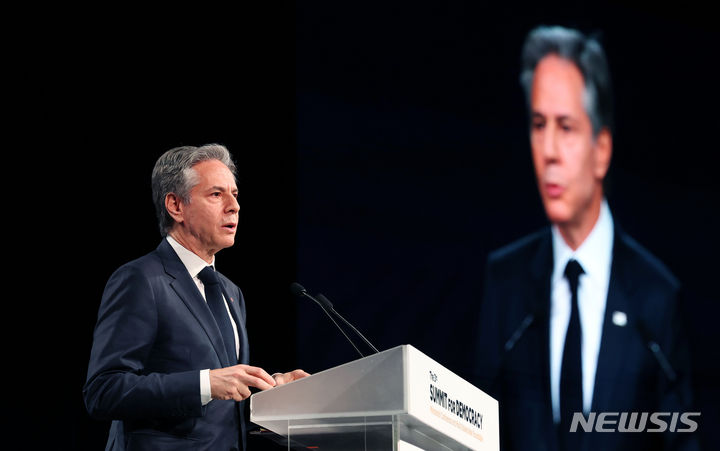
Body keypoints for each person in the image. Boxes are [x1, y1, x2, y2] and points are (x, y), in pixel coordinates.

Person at [474, 26, 698, 450]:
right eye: (538, 124)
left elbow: (682, 438)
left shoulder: (656, 296)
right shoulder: (505, 280)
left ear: (601, 150)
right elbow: (473, 427)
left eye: (566, 127)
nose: (548, 150)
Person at [84, 144, 309, 450]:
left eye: (235, 194)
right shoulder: (141, 280)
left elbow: (221, 402)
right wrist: (204, 383)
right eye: (217, 194)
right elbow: (104, 391)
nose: (234, 206)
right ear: (176, 206)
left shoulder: (230, 291)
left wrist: (270, 389)